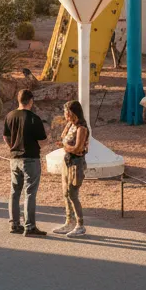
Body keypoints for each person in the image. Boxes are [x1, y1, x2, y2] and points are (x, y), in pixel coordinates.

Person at [2, 88, 47, 236]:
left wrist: (12, 147)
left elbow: (6, 136)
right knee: (30, 192)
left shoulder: (10, 116)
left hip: (14, 157)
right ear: (31, 101)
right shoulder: (34, 118)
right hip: (30, 158)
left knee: (15, 191)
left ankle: (14, 224)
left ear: (18, 100)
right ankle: (30, 226)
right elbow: (43, 140)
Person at [53, 100, 89, 237]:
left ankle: (80, 224)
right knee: (66, 193)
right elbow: (63, 138)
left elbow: (78, 148)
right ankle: (70, 221)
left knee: (73, 194)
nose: (65, 115)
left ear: (73, 113)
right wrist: (66, 146)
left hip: (76, 164)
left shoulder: (81, 128)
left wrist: (66, 146)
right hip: (67, 161)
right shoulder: (70, 125)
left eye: (67, 113)